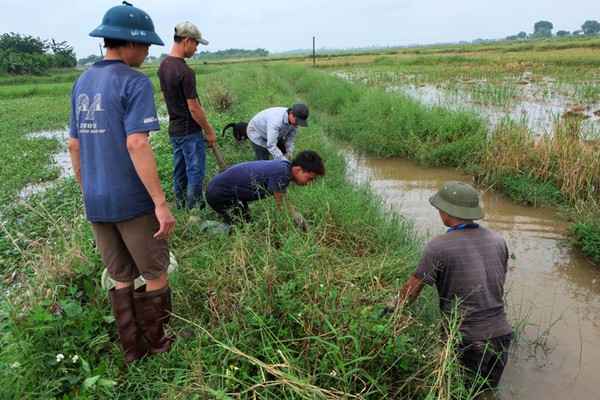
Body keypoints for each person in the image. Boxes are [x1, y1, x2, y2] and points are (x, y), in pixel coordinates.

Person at [69, 2, 176, 364]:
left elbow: (74, 144)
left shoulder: (83, 81)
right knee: (155, 271)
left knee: (120, 276)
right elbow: (136, 142)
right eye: (145, 45)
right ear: (129, 44)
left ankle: (133, 349)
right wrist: (160, 203)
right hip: (130, 200)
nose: (147, 53)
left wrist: (89, 193)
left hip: (96, 201)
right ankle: (158, 344)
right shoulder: (133, 82)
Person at [391, 181, 513, 391]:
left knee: (457, 392)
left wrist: (389, 309)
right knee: (487, 392)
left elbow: (412, 291)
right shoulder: (497, 240)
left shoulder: (438, 247)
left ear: (447, 212)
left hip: (466, 340)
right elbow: (497, 287)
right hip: (502, 335)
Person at [158, 21, 217, 210]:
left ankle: (181, 208)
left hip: (174, 131)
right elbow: (194, 107)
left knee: (180, 172)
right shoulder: (185, 71)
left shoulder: (163, 66)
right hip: (190, 132)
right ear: (186, 41)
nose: (197, 48)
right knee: (195, 173)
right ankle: (195, 214)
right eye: (196, 43)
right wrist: (208, 131)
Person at [205, 150, 325, 229]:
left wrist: (297, 217)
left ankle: (214, 214)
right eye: (309, 179)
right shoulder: (282, 171)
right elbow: (281, 206)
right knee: (242, 228)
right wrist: (296, 224)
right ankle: (200, 224)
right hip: (219, 195)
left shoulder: (284, 168)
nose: (309, 183)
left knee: (246, 221)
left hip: (227, 194)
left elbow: (283, 198)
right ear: (298, 170)